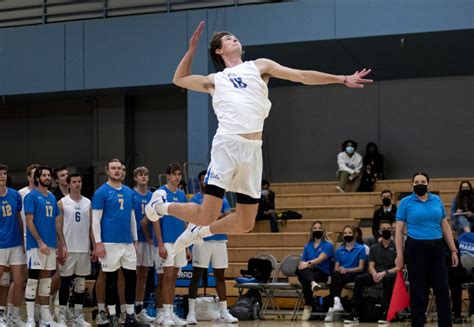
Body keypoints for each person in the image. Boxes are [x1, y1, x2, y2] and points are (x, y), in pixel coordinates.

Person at [145, 21, 372, 253]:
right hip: (228, 145)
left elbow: (302, 75)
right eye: (228, 38)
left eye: (235, 36)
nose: (234, 38)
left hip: (253, 148)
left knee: (245, 224)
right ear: (218, 50)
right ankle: (161, 206)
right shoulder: (216, 79)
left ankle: (199, 232)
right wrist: (191, 49)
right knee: (206, 214)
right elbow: (180, 79)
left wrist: (342, 78)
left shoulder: (259, 66)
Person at [395, 172, 458, 327]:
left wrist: (453, 250)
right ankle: (417, 324)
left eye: (423, 181)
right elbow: (398, 230)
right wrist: (399, 255)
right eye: (416, 182)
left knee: (442, 289)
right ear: (412, 184)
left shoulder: (437, 200)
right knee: (418, 291)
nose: (420, 184)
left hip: (437, 248)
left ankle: (445, 324)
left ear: (429, 183)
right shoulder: (405, 202)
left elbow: (445, 226)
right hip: (415, 248)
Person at [91, 159, 144, 327]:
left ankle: (129, 316)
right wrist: (98, 243)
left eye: (119, 168)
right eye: (113, 168)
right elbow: (95, 220)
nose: (116, 171)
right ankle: (112, 316)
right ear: (107, 171)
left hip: (127, 243)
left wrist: (135, 240)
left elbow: (132, 218)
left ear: (123, 171)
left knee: (130, 280)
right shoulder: (101, 192)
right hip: (109, 243)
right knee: (111, 281)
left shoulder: (129, 192)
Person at [186, 170, 238, 324]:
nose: (205, 182)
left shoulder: (221, 198)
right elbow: (195, 218)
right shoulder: (195, 199)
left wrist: (210, 217)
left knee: (220, 276)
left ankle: (224, 311)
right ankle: (191, 313)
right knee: (196, 275)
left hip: (220, 240)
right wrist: (216, 216)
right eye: (202, 180)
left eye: (207, 180)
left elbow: (228, 216)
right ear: (199, 182)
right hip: (201, 240)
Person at [24, 166, 68, 327]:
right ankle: (29, 319)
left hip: (51, 246)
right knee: (33, 281)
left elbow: (56, 224)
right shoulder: (31, 196)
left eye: (49, 175)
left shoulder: (51, 197)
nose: (47, 177)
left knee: (46, 283)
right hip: (35, 246)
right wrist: (40, 242)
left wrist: (62, 244)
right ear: (37, 178)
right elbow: (29, 222)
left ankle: (45, 319)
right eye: (44, 175)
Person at [153, 163, 189, 326]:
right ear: (168, 176)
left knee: (174, 277)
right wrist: (160, 244)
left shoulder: (181, 195)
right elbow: (154, 219)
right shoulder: (160, 193)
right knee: (166, 277)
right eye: (174, 174)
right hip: (166, 241)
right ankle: (165, 315)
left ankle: (171, 312)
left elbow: (185, 222)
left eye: (179, 174)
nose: (177, 177)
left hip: (179, 242)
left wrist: (187, 245)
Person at [345, 220, 398, 324]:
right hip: (376, 274)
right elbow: (371, 265)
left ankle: (385, 311)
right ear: (379, 231)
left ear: (392, 231)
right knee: (360, 279)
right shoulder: (374, 247)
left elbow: (399, 267)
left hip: (390, 274)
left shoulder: (397, 247)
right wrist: (374, 273)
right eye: (383, 229)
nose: (386, 231)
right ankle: (355, 311)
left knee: (388, 278)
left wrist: (385, 273)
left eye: (388, 229)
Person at [57, 173, 92, 327]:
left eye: (79, 181)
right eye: (74, 182)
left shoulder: (88, 203)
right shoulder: (62, 203)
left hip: (83, 248)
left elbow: (91, 227)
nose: (77, 184)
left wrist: (92, 246)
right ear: (69, 184)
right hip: (68, 248)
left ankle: (78, 316)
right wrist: (62, 246)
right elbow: (58, 226)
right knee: (65, 282)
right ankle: (62, 316)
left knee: (80, 284)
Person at [0, 165, 26, 327]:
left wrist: (23, 241)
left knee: (19, 280)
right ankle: (1, 314)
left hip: (16, 243)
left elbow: (19, 218)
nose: (2, 176)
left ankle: (14, 316)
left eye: (4, 173)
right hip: (0, 245)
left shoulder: (15, 195)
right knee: (2, 282)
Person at [325, 225, 366, 322]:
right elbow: (336, 268)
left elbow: (361, 268)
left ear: (355, 234)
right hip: (342, 274)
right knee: (335, 276)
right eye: (345, 233)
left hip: (354, 274)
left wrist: (347, 270)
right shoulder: (339, 250)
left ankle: (332, 308)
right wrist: (340, 270)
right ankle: (336, 302)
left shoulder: (361, 248)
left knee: (334, 281)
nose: (347, 235)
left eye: (350, 233)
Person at [296, 221, 334, 321]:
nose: (317, 230)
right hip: (310, 273)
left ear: (323, 230)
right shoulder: (308, 245)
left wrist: (307, 264)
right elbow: (302, 261)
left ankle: (308, 306)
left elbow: (320, 259)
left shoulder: (328, 245)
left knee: (305, 278)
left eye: (319, 228)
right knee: (299, 269)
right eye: (315, 228)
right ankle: (313, 283)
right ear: (312, 231)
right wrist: (303, 264)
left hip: (322, 273)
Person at [131, 167, 155, 323]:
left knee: (143, 275)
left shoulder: (153, 196)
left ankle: (139, 309)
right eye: (140, 175)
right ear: (135, 178)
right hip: (134, 240)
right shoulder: (130, 195)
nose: (143, 177)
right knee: (129, 276)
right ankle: (126, 309)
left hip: (148, 240)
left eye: (146, 174)